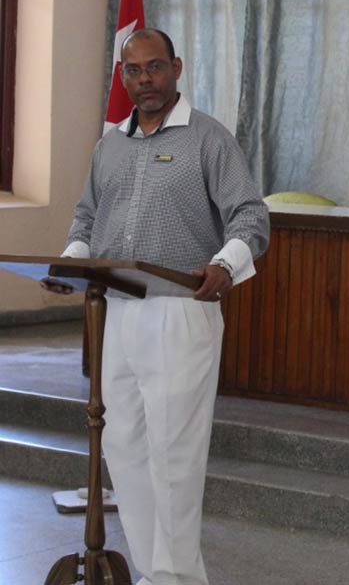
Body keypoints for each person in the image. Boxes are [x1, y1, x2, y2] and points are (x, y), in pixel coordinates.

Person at [43, 28, 269, 585]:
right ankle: (153, 571)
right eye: (134, 70)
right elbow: (87, 217)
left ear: (177, 68)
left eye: (155, 67)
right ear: (122, 76)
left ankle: (179, 578)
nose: (145, 79)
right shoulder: (110, 146)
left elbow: (250, 214)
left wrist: (226, 264)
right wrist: (72, 260)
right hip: (116, 307)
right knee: (123, 446)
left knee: (174, 453)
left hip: (179, 309)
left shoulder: (208, 139)